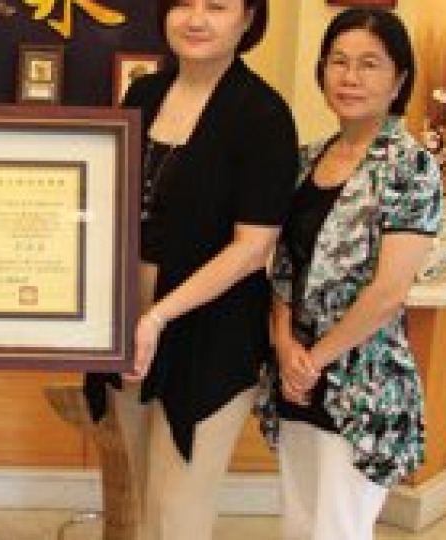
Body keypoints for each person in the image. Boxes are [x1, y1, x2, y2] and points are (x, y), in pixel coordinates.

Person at [84, 0, 299, 538]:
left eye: (217, 6)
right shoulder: (143, 94)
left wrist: (158, 317)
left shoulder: (263, 115)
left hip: (209, 332)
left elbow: (252, 248)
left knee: (177, 512)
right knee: (141, 501)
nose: (196, 19)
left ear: (248, 19)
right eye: (183, 3)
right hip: (129, 326)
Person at [256, 8, 444, 540]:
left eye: (369, 64)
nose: (350, 77)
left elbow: (388, 293)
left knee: (338, 529)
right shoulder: (305, 160)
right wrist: (285, 343)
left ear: (399, 79)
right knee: (298, 522)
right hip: (296, 376)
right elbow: (284, 268)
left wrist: (314, 360)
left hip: (361, 382)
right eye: (338, 62)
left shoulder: (410, 167)